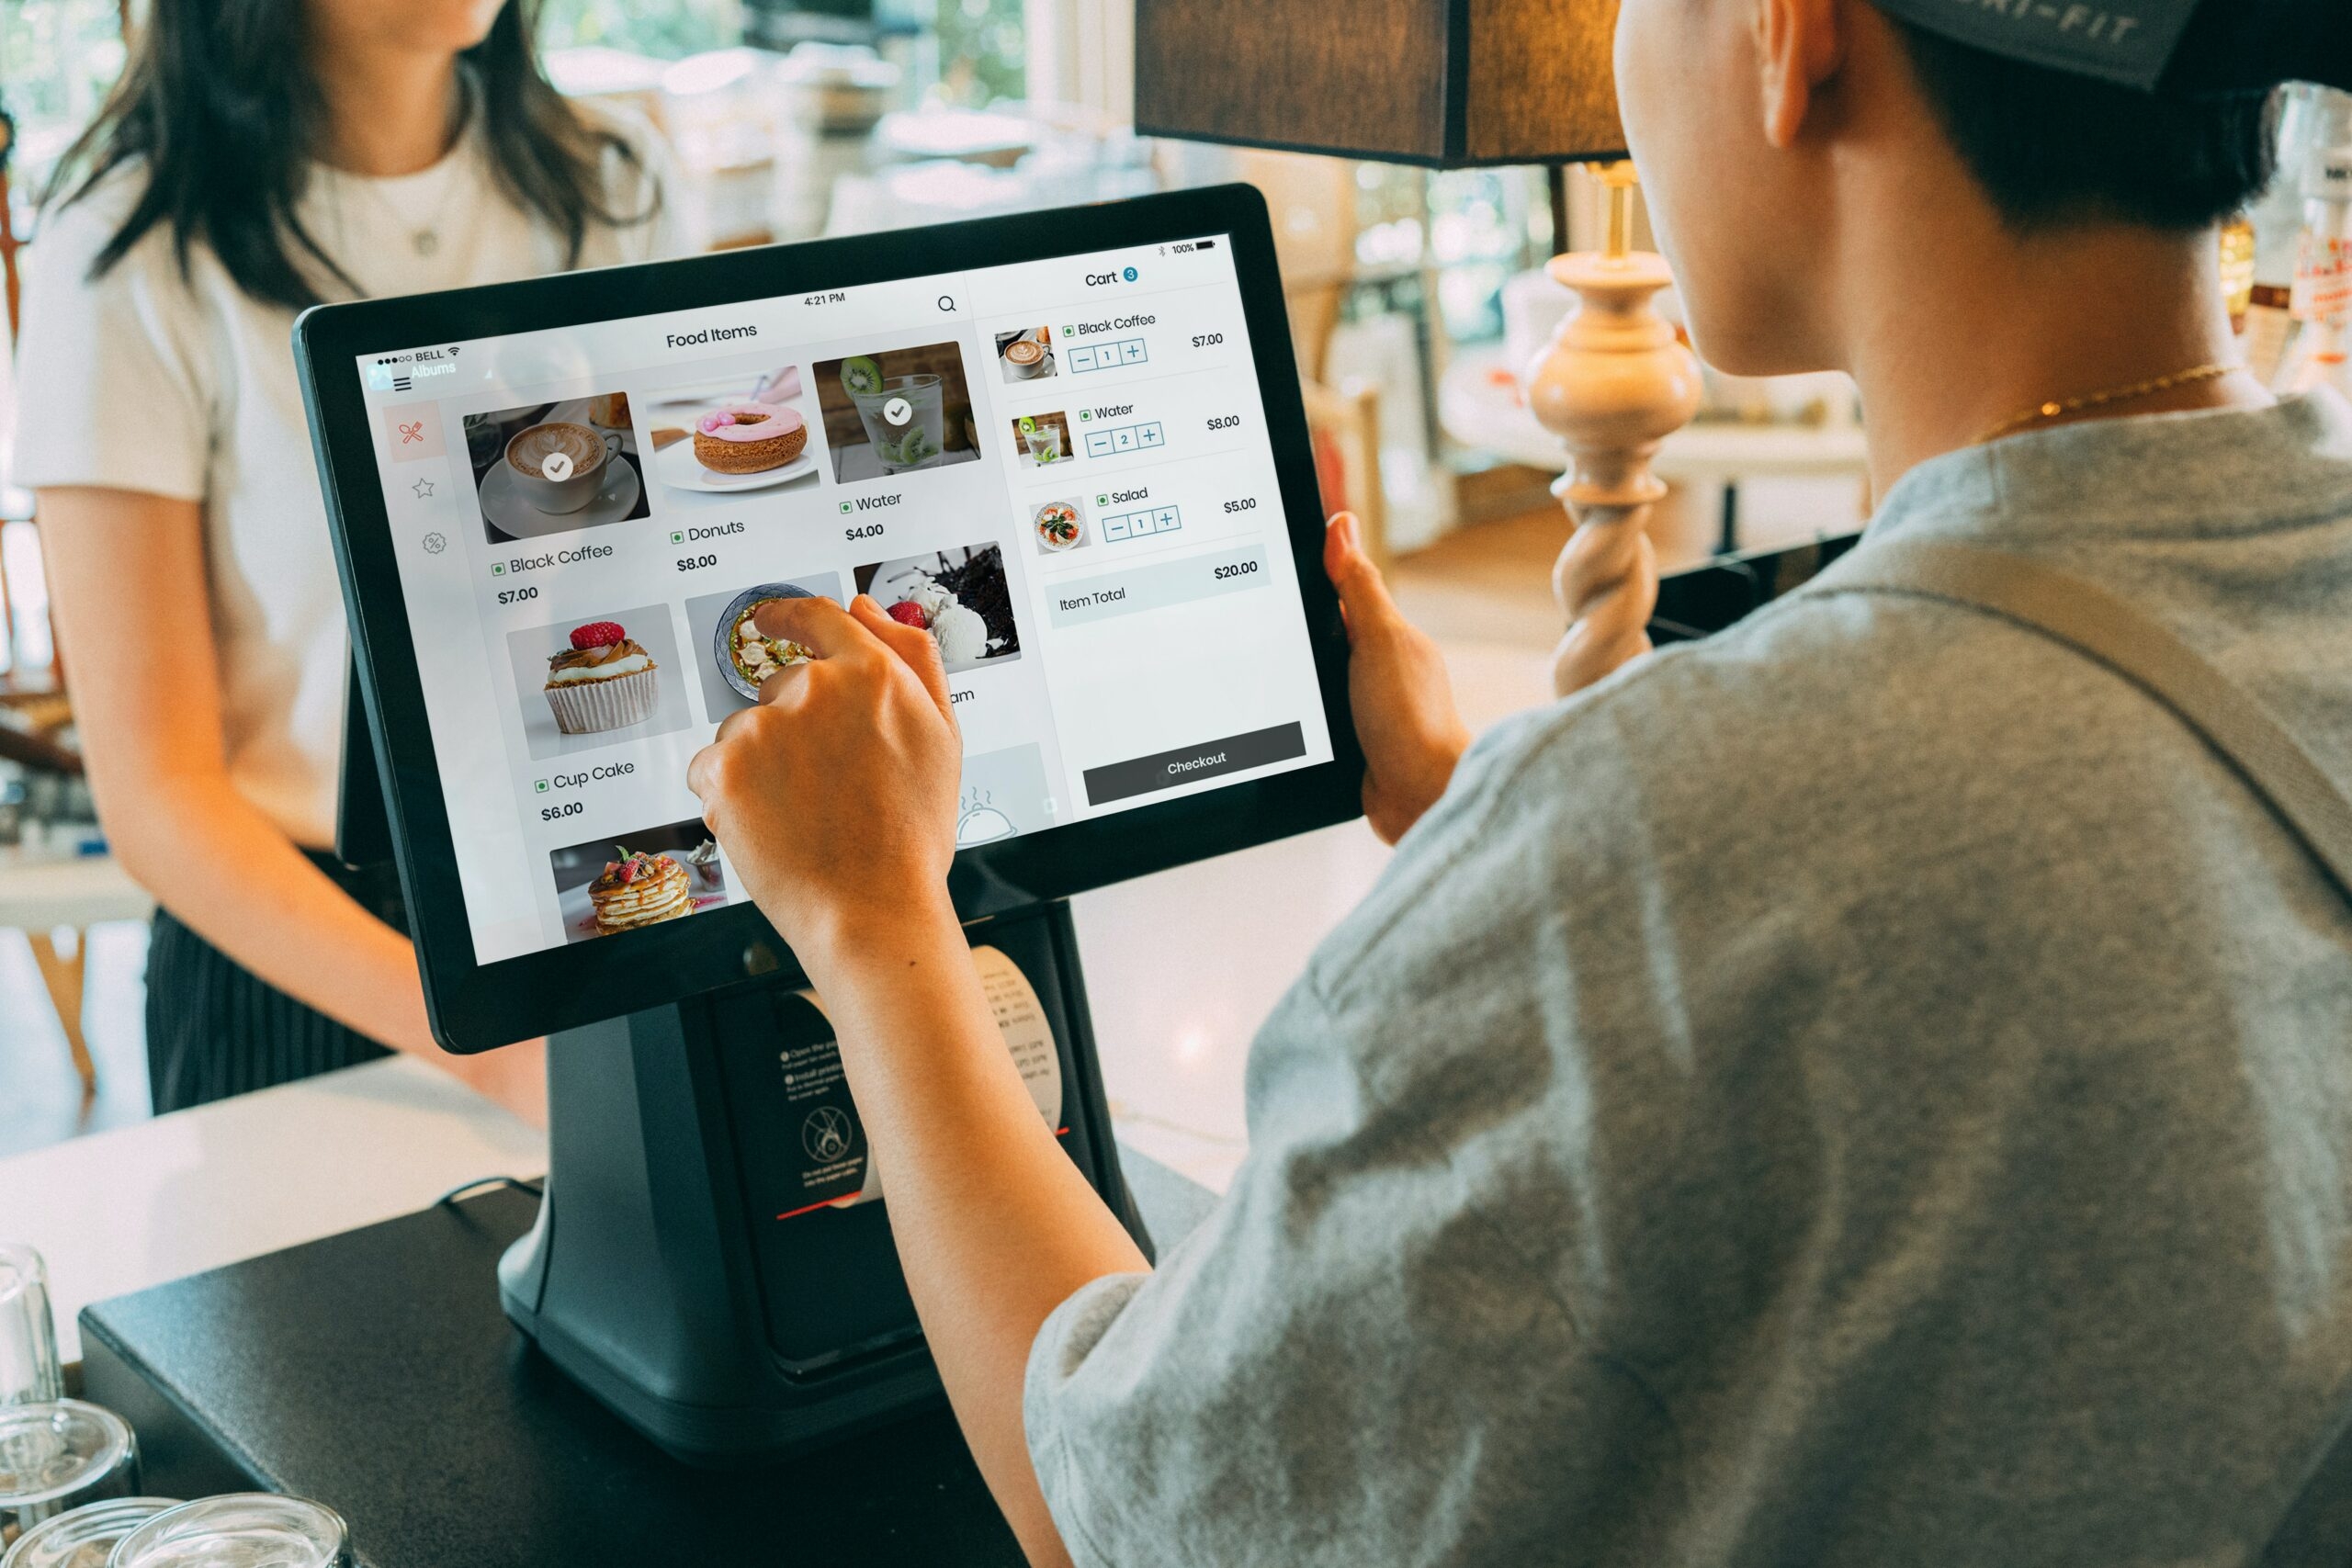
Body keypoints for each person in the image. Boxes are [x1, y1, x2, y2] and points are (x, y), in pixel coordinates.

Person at [692, 1, 2352, 1562]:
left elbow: (1131, 1506)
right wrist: (1500, 816)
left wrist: (877, 924)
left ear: (1791, 38)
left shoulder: (1679, 830)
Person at [11, 0, 684, 1120]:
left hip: (603, 895)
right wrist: (501, 1058)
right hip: (302, 962)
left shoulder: (614, 178)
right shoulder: (128, 245)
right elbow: (159, 797)